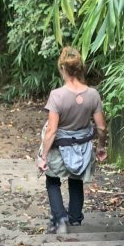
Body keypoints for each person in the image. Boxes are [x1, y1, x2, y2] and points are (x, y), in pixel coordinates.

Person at [36, 46, 107, 234]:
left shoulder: (57, 95)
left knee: (53, 179)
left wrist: (43, 156)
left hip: (59, 148)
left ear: (62, 68)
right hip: (82, 148)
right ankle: (75, 219)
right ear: (80, 68)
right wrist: (101, 146)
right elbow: (101, 127)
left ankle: (59, 219)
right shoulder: (93, 94)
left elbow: (51, 130)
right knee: (76, 180)